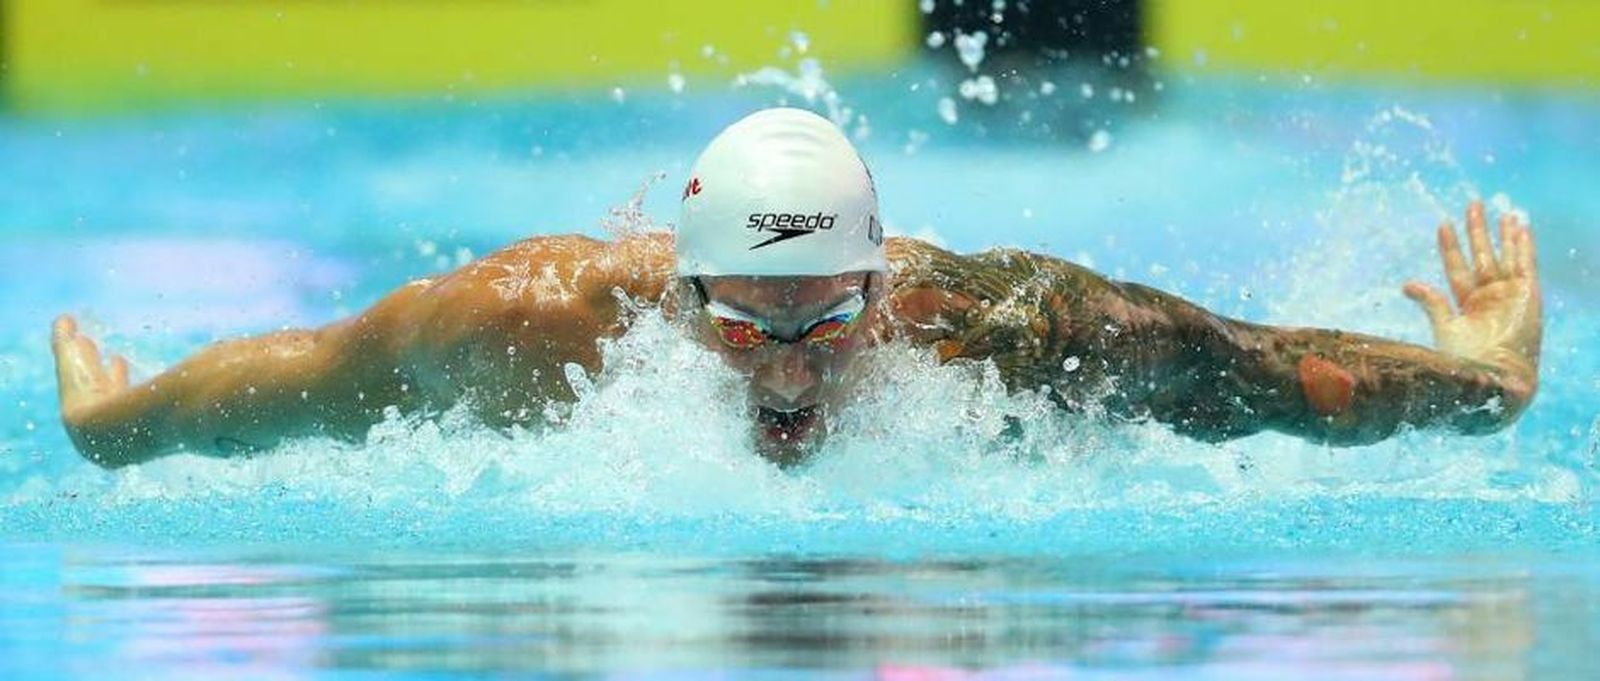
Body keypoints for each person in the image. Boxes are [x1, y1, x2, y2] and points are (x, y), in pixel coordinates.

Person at [52, 108, 1543, 468]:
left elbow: (1265, 371)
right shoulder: (533, 320)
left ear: (885, 282)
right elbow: (310, 374)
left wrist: (1488, 381)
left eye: (832, 318)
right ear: (679, 290)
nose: (789, 369)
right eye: (747, 324)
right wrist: (113, 425)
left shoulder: (1006, 326)